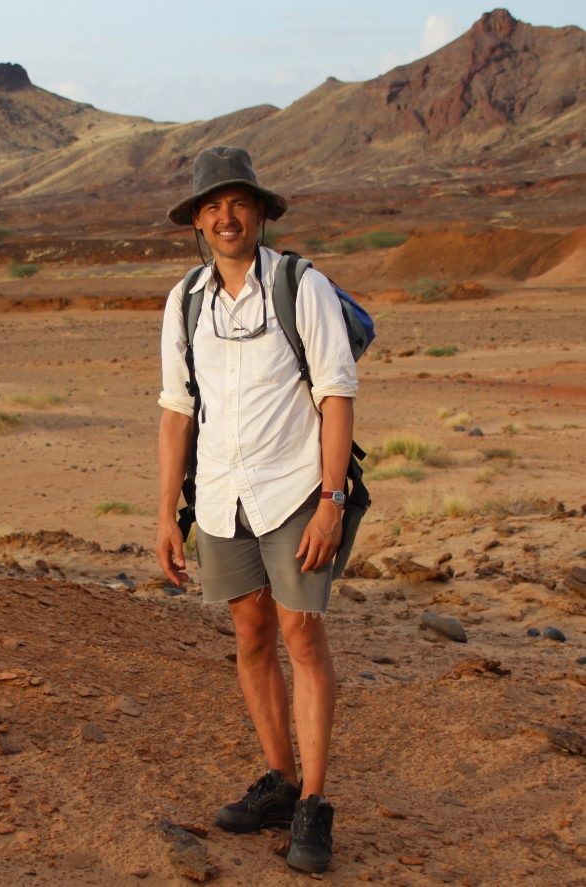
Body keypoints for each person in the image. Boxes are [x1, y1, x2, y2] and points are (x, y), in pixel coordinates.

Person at [157, 145, 357, 874]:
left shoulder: (301, 286)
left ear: (262, 211)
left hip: (296, 490)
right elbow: (177, 412)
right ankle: (278, 777)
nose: (225, 215)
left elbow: (337, 394)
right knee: (250, 631)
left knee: (301, 634)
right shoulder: (184, 302)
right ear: (198, 222)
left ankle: (314, 802)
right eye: (212, 206)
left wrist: (332, 500)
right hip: (219, 496)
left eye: (237, 201)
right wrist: (164, 514)